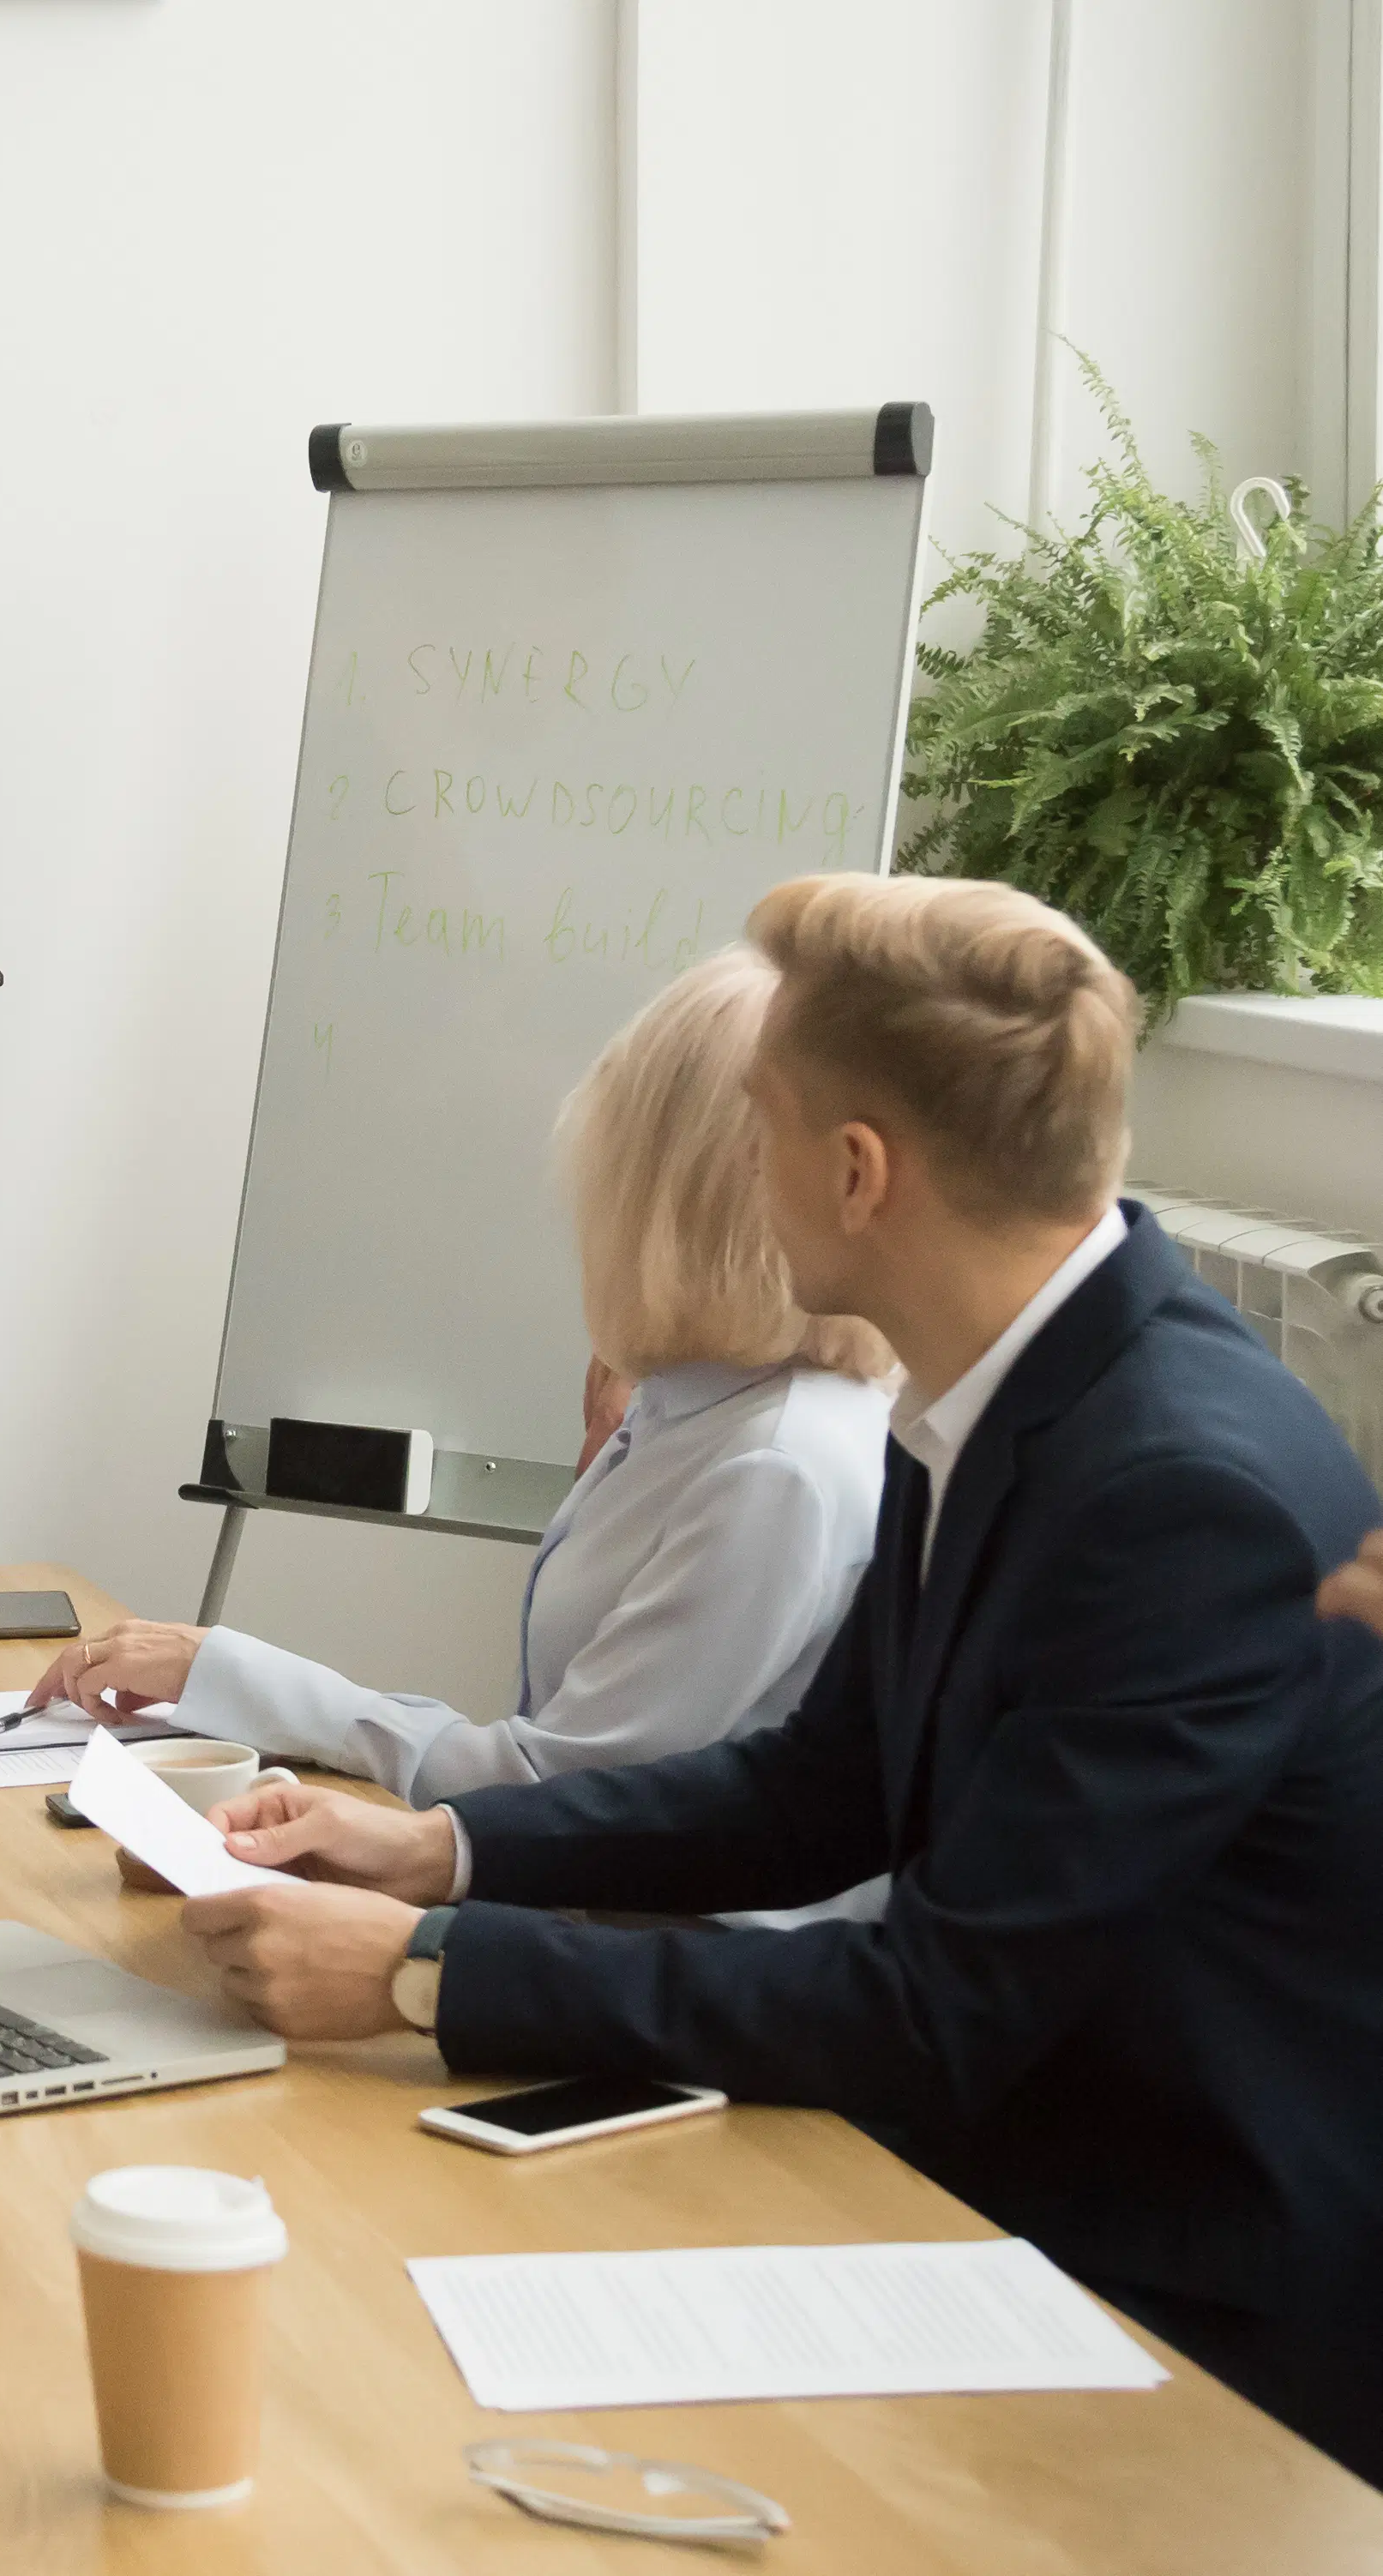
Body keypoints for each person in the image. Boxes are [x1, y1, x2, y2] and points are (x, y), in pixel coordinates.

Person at [172, 874, 1383, 2478]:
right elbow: (820, 1787)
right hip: (1021, 2177)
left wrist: (426, 1967)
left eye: (757, 1123)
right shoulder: (1017, 1384)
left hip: (1187, 2293)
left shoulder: (1176, 1491)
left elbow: (936, 2007)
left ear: (858, 1170)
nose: (736, 1166)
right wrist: (441, 1848)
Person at [35, 952, 894, 1863]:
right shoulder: (697, 1405)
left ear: (669, 1194)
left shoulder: (773, 1463)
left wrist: (237, 1674)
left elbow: (562, 1794)